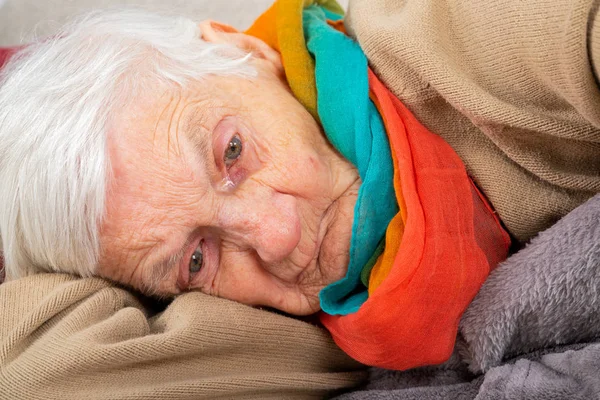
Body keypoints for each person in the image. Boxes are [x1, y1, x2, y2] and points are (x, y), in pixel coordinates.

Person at [0, 0, 598, 371]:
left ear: (241, 51)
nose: (278, 236)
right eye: (197, 257)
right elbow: (41, 373)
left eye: (232, 152)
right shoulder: (298, 331)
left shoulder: (441, 38)